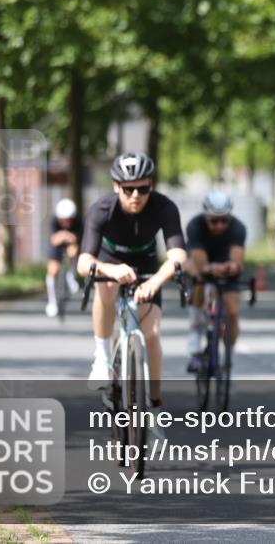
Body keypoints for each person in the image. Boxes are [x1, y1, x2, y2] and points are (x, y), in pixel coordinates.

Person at [77, 153, 187, 418]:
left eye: (142, 188)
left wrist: (157, 281)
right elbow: (83, 262)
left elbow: (179, 255)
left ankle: (156, 407)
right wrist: (109, 269)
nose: (135, 195)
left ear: (151, 184)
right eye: (128, 189)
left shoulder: (164, 207)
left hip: (146, 261)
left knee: (152, 334)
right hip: (110, 258)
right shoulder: (102, 209)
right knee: (104, 288)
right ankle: (102, 358)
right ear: (116, 187)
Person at [184, 191, 247, 373]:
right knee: (198, 278)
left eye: (224, 220)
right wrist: (209, 269)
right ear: (205, 216)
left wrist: (232, 267)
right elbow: (200, 263)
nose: (219, 225)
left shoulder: (238, 227)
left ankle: (228, 355)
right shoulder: (195, 226)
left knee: (233, 313)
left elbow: (237, 261)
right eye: (214, 221)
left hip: (225, 264)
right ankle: (195, 337)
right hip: (202, 262)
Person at [45, 198, 82, 318]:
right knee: (53, 270)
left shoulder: (79, 221)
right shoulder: (54, 221)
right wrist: (66, 236)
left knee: (74, 251)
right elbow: (54, 240)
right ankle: (52, 301)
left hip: (72, 245)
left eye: (69, 220)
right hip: (57, 246)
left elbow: (78, 238)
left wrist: (69, 239)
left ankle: (72, 276)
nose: (66, 223)